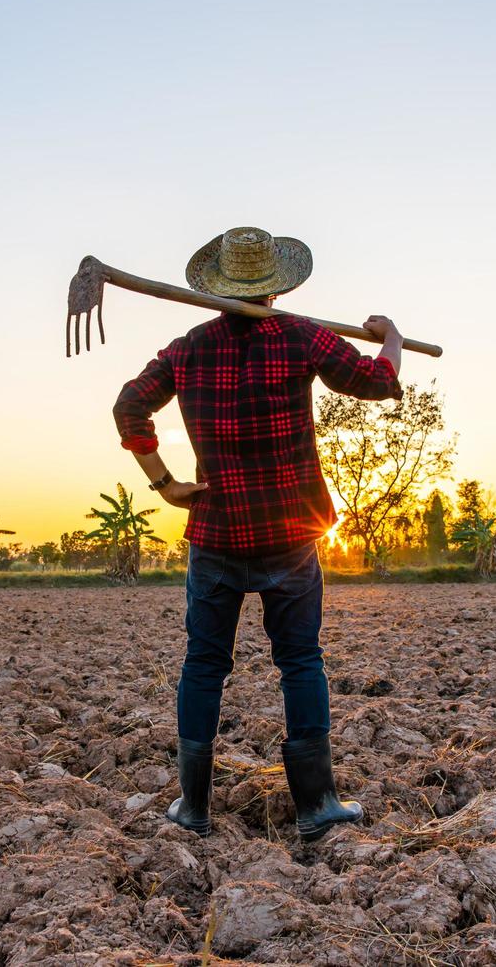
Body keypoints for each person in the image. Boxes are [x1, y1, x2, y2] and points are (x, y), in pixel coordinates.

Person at [112, 226, 404, 841]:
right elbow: (378, 382)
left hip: (215, 536)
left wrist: (164, 484)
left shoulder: (188, 348)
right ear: (276, 286)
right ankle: (317, 805)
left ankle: (192, 807)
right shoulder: (300, 336)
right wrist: (393, 340)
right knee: (299, 660)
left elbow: (129, 406)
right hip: (290, 534)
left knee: (203, 664)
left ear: (215, 290)